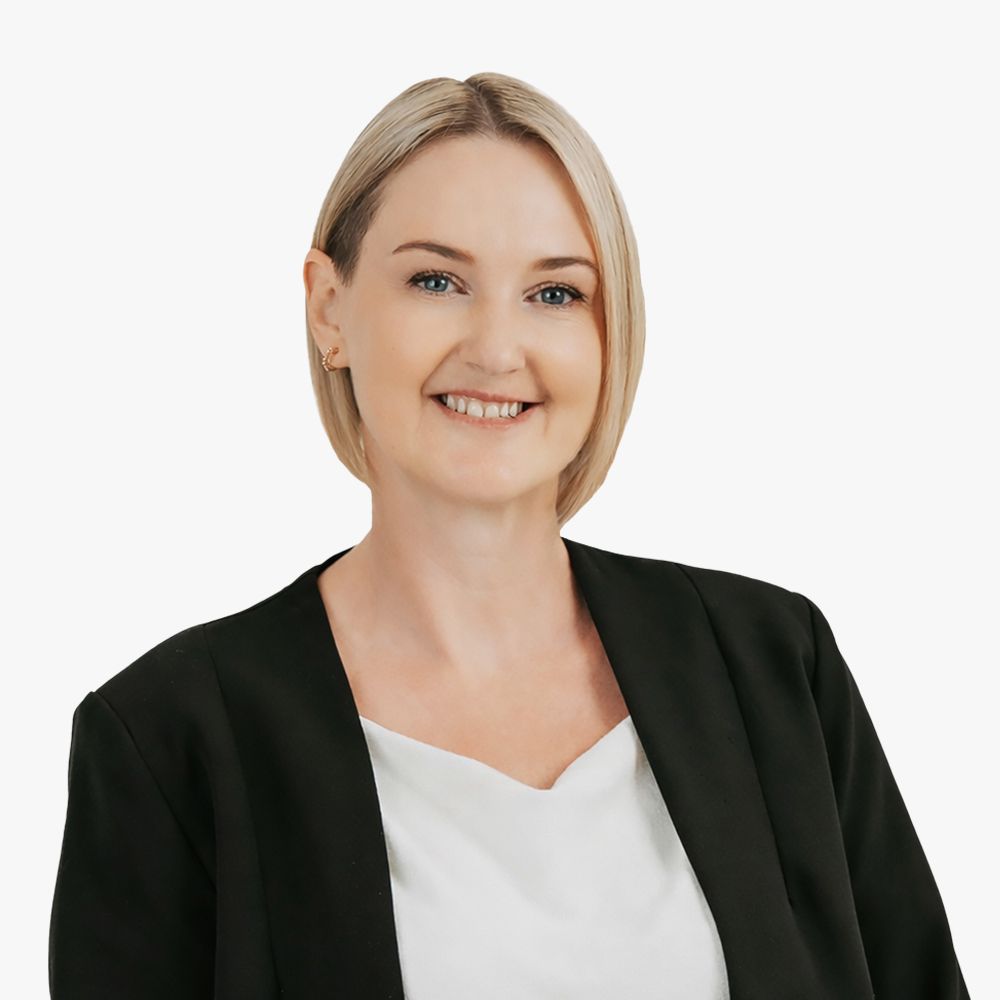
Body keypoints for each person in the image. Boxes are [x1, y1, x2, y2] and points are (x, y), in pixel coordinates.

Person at [48, 72, 970, 1000]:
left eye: (555, 293)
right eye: (436, 281)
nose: (496, 349)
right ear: (329, 309)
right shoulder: (165, 741)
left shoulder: (775, 666)